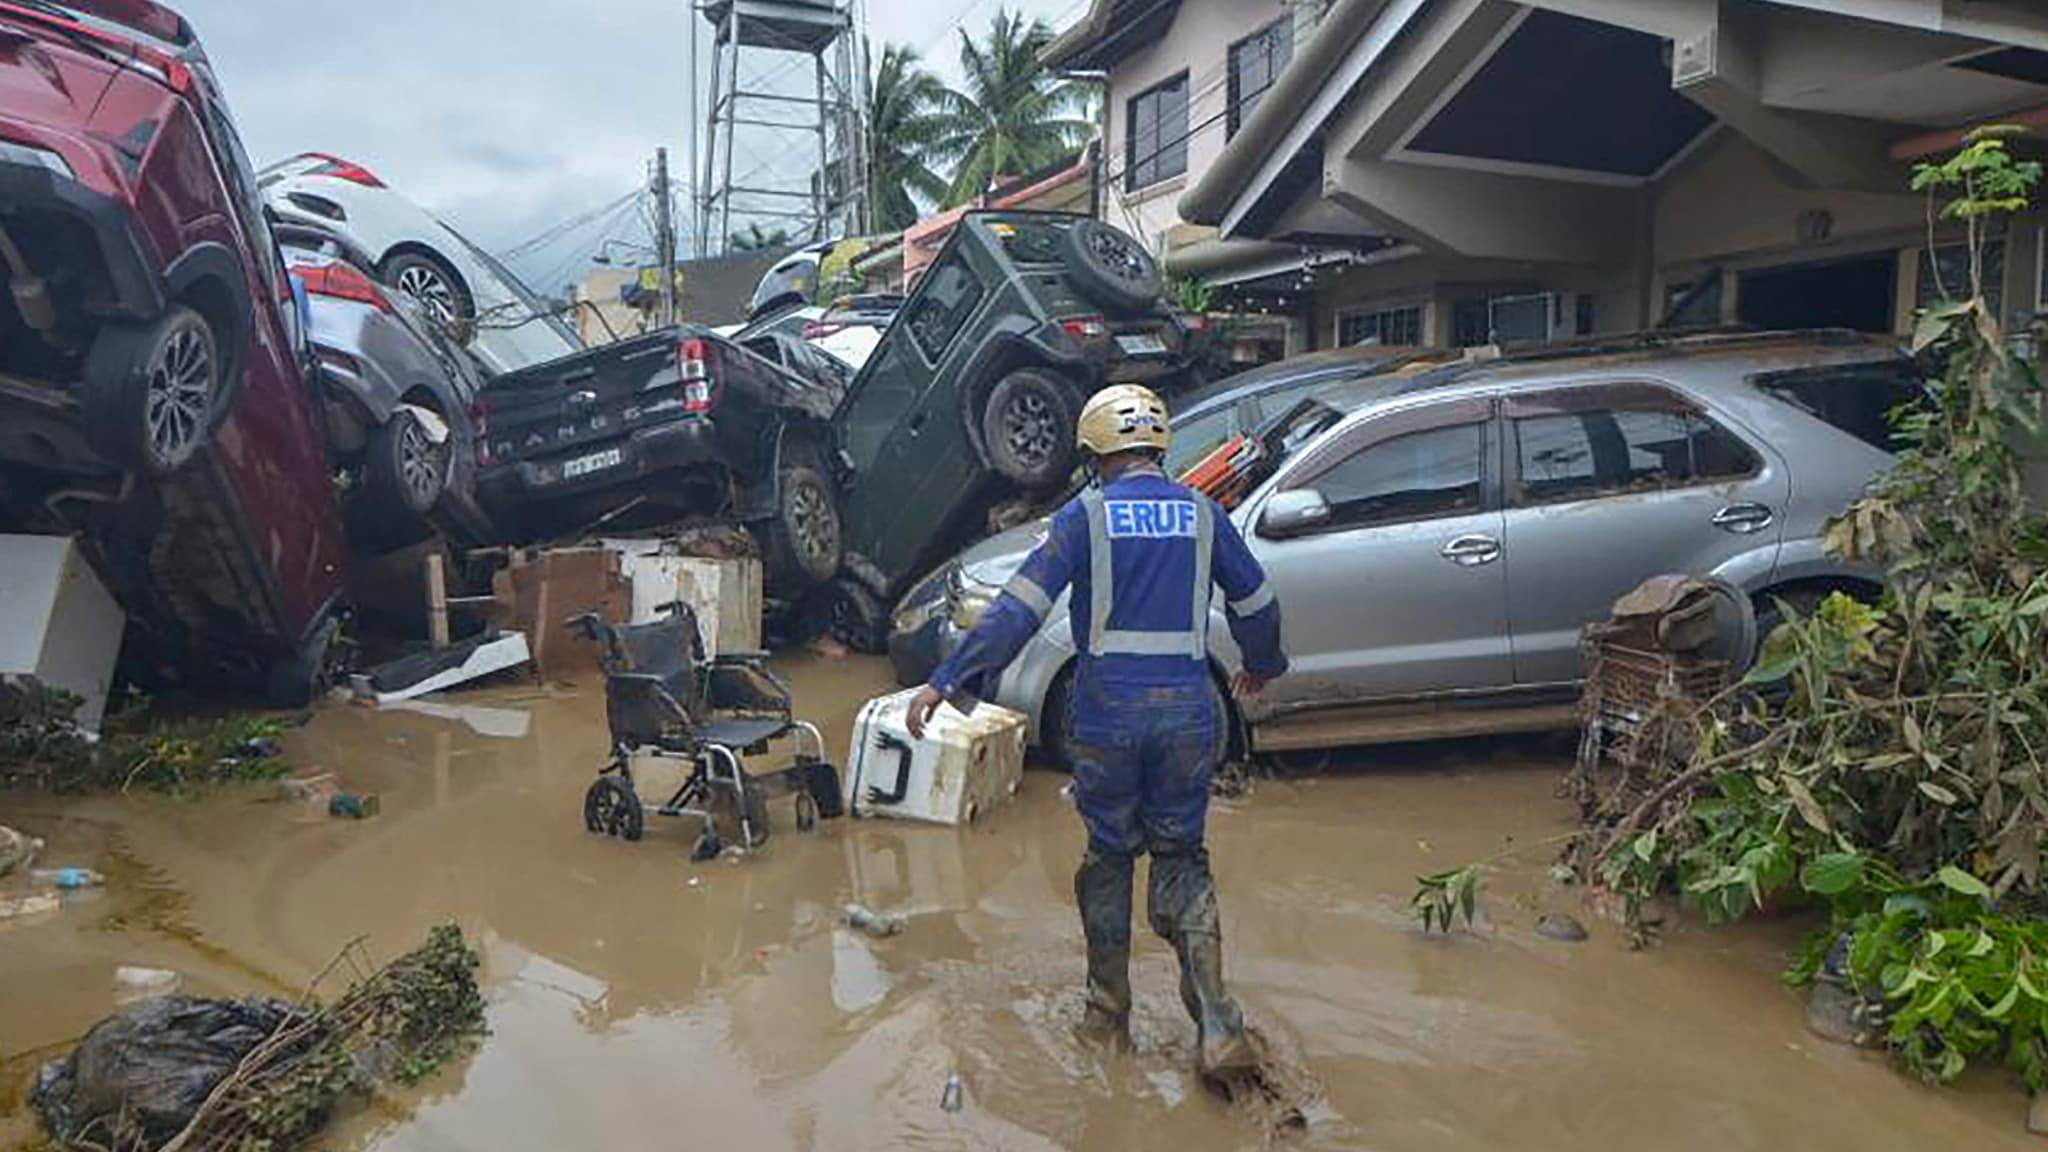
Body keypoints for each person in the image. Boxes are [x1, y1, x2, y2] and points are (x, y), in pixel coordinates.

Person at [905, 384, 1288, 1077]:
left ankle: (1106, 1020)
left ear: (1094, 453)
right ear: (1156, 447)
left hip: (1108, 717)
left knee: (1109, 858)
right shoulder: (1204, 513)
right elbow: (1257, 600)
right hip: (1188, 714)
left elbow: (1018, 610)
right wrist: (1262, 666)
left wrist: (951, 679)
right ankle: (1219, 1026)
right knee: (1183, 858)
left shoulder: (1084, 517)